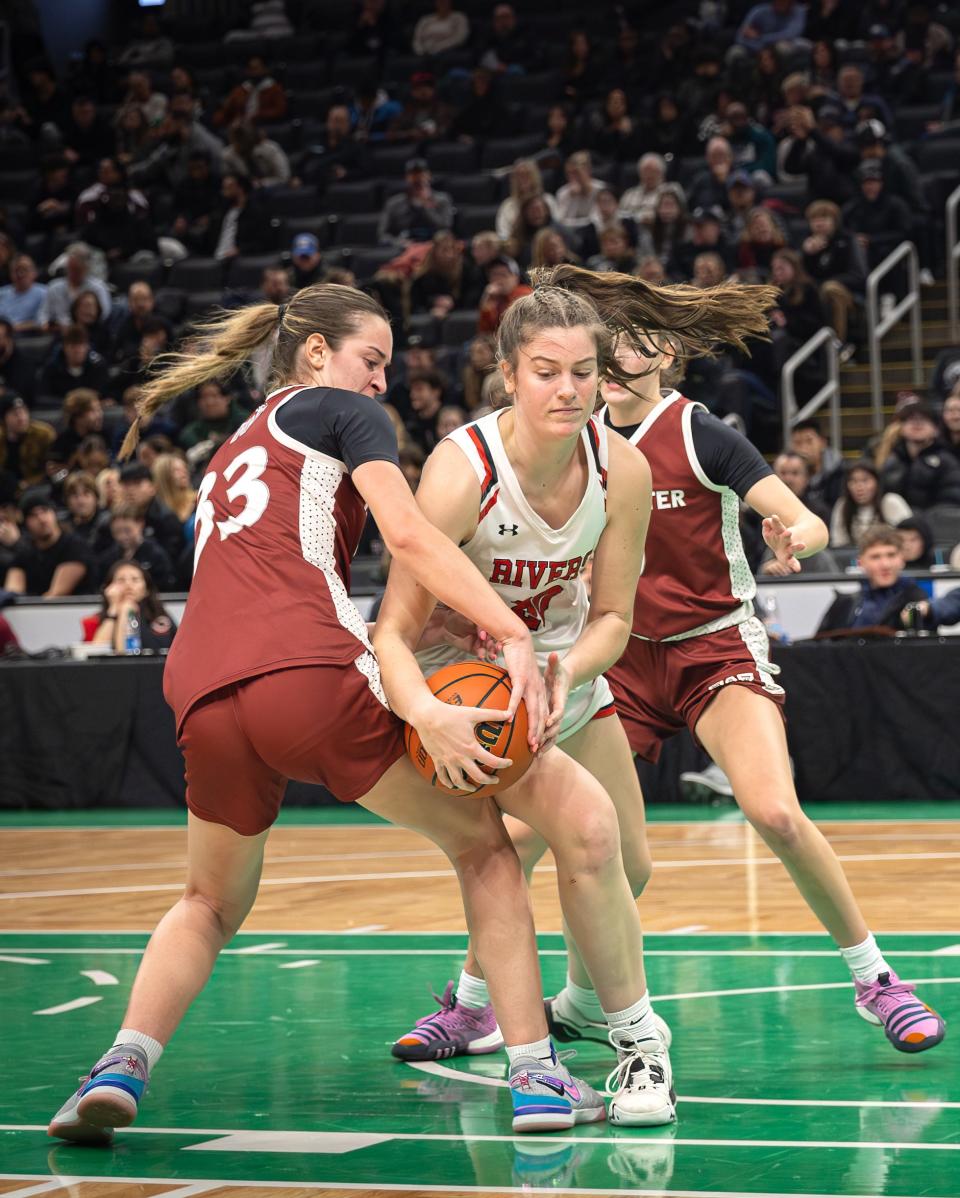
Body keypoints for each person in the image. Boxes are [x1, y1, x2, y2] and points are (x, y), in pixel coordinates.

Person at [48, 283, 630, 1147]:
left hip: (199, 687)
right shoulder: (338, 412)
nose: (382, 382)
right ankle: (539, 1075)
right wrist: (507, 630)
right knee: (484, 849)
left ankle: (119, 1066)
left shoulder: (228, 448)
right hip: (305, 672)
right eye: (374, 360)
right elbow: (408, 535)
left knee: (207, 900)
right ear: (317, 355)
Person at [521, 263, 947, 1058]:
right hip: (618, 657)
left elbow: (806, 521)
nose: (618, 358)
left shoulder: (700, 432)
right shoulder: (579, 445)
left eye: (636, 342)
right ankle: (483, 1000)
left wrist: (795, 536)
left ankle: (876, 980)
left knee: (776, 812)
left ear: (666, 354)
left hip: (714, 647)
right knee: (539, 839)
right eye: (609, 344)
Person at [384, 280, 686, 1123]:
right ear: (509, 374)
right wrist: (439, 699)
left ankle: (508, 1000)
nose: (568, 389)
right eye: (546, 371)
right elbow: (398, 627)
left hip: (565, 679)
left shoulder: (621, 468)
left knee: (629, 866)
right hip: (473, 694)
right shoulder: (460, 472)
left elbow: (618, 616)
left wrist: (564, 670)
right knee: (576, 839)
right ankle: (636, 1043)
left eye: (584, 373)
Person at [818, 526, 929, 632]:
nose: (885, 564)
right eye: (875, 557)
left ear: (902, 559)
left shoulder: (917, 601)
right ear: (860, 562)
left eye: (891, 555)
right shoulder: (846, 603)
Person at [4, 490, 93, 596]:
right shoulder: (26, 553)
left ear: (54, 514)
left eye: (45, 511)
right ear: (26, 523)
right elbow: (12, 593)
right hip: (37, 608)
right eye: (33, 515)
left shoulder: (74, 546)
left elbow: (56, 595)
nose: (42, 519)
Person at [879, 399, 960, 510]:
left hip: (935, 524)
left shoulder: (947, 463)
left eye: (924, 419)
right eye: (910, 419)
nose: (917, 423)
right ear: (901, 428)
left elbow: (952, 502)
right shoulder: (892, 462)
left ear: (936, 429)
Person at [88, 559, 177, 652]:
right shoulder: (95, 619)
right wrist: (115, 609)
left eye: (135, 579)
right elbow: (97, 651)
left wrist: (127, 611)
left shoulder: (159, 617)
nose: (128, 585)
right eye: (121, 580)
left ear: (147, 589)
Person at [830, 459, 911, 549]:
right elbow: (838, 544)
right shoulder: (843, 505)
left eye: (865, 480)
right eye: (853, 481)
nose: (859, 487)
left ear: (877, 482)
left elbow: (909, 537)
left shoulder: (891, 501)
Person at [99, 502, 176, 592]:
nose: (122, 536)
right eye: (117, 532)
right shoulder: (107, 559)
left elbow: (166, 586)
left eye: (128, 530)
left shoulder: (156, 555)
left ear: (141, 524)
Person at [0, 393, 54, 494]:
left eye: (23, 412)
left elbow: (52, 469)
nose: (21, 418)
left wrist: (27, 483)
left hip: (36, 487)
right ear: (4, 419)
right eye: (14, 414)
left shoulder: (43, 435)